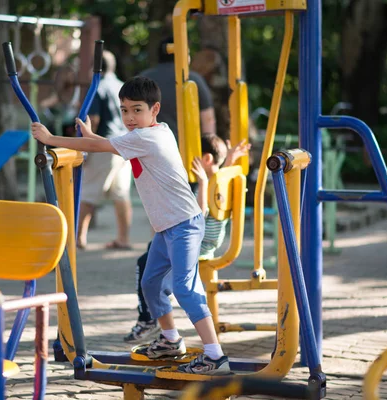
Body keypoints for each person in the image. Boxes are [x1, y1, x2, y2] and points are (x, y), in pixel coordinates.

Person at [31, 76, 230, 375]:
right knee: (150, 283)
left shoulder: (147, 138)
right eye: (124, 111)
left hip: (185, 225)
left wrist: (51, 139)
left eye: (137, 110)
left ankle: (216, 356)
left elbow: (98, 147)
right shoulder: (155, 132)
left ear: (155, 110)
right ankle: (170, 340)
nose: (129, 118)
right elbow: (109, 144)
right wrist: (92, 134)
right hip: (167, 227)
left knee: (184, 289)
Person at [124, 134, 248, 344]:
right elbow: (219, 179)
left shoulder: (207, 183)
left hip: (197, 242)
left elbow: (197, 216)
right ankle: (156, 319)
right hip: (204, 240)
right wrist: (230, 159)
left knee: (149, 268)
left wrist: (201, 180)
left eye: (192, 155)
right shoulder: (220, 180)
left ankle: (148, 319)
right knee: (151, 254)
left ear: (206, 159)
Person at [77, 50, 132, 250]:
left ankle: (78, 238)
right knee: (121, 194)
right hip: (124, 145)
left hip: (103, 145)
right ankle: (124, 238)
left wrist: (85, 149)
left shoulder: (97, 88)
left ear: (95, 67)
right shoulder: (123, 87)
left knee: (88, 193)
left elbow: (95, 120)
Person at [140, 36, 216, 141]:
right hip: (187, 149)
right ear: (184, 54)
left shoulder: (141, 79)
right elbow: (208, 119)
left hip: (150, 146)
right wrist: (209, 147)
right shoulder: (193, 79)